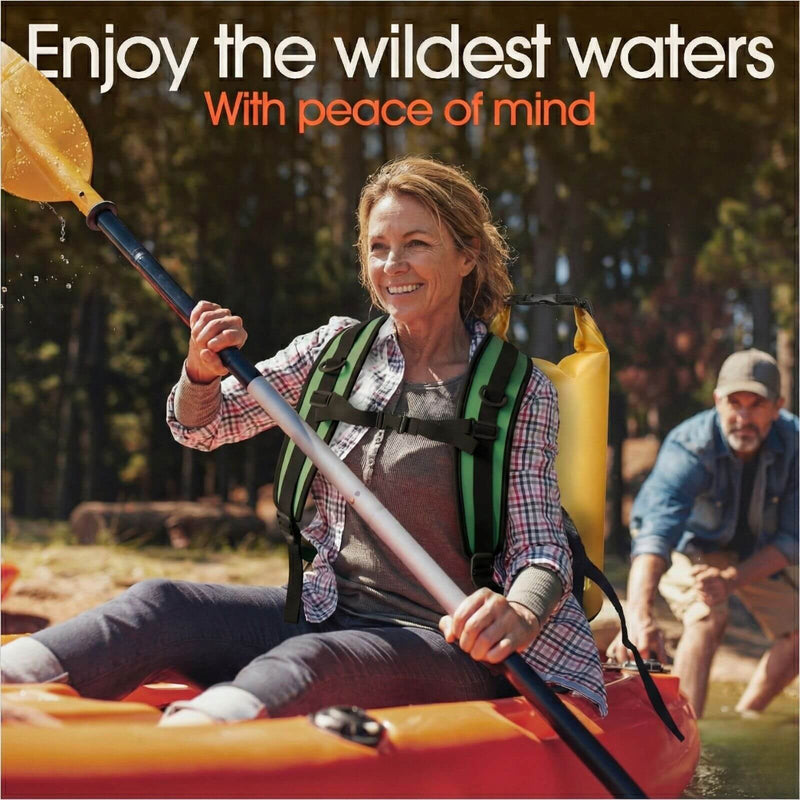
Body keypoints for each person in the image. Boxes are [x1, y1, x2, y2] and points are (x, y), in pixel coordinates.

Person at [1, 157, 606, 724]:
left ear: (467, 255)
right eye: (378, 248)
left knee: (315, 661)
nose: (393, 265)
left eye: (417, 244)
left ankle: (193, 749)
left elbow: (541, 548)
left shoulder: (517, 388)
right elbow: (205, 426)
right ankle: (13, 682)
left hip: (449, 639)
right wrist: (201, 374)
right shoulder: (337, 351)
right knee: (161, 605)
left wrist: (521, 612)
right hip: (328, 608)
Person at [607, 349, 798, 718]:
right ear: (716, 402)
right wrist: (638, 616)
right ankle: (688, 728)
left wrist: (732, 579)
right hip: (693, 548)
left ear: (778, 406)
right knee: (707, 615)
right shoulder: (689, 444)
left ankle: (746, 717)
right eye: (733, 403)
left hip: (760, 554)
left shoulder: (796, 445)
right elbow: (655, 533)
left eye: (756, 405)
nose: (743, 417)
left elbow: (792, 539)